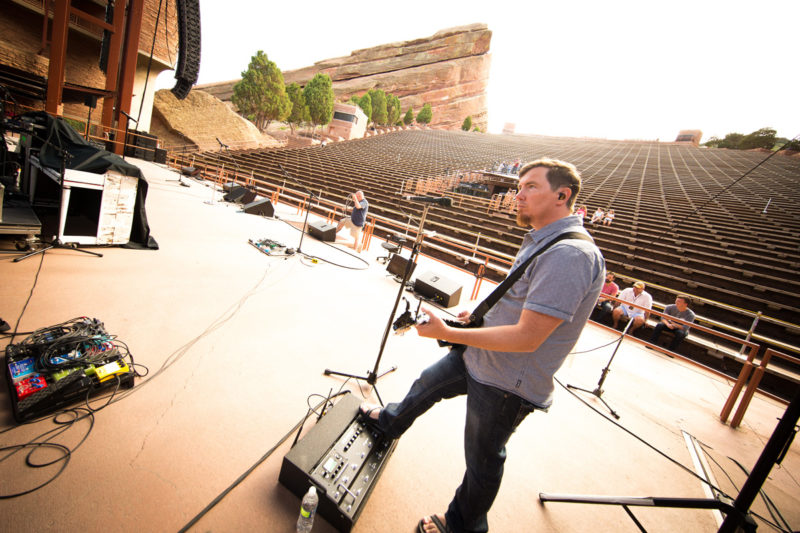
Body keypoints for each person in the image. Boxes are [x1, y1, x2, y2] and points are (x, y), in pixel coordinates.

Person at [360, 158, 605, 533]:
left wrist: (450, 333)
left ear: (562, 195)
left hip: (507, 382)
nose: (517, 195)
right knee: (427, 383)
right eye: (519, 187)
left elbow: (528, 336)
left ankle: (462, 525)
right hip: (484, 358)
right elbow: (519, 299)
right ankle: (390, 422)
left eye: (530, 187)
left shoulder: (570, 255)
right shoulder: (548, 239)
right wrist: (476, 313)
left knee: (482, 459)